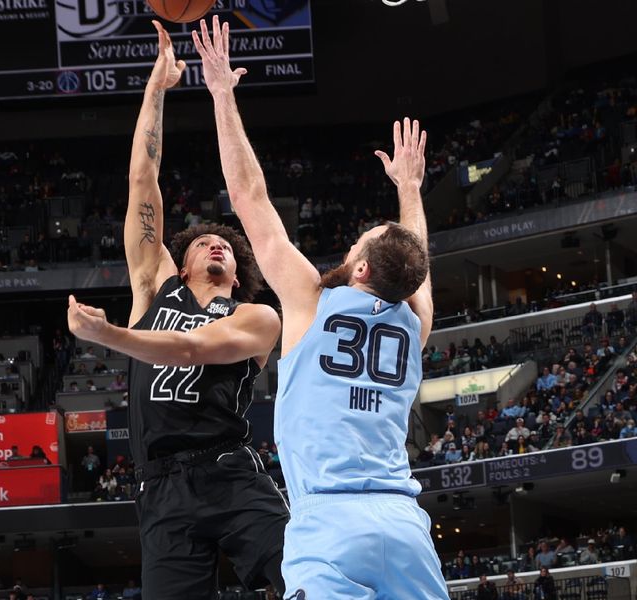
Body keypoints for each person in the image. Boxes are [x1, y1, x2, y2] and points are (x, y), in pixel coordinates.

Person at [192, 16, 445, 598]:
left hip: (328, 523)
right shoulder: (415, 323)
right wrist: (409, 190)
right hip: (405, 528)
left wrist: (222, 95)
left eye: (358, 243)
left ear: (359, 268)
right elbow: (419, 262)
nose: (351, 245)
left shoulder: (310, 298)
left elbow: (248, 197)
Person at [66, 22, 287, 600]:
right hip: (158, 488)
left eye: (229, 249)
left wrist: (109, 334)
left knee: (306, 576)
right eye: (203, 243)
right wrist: (156, 89)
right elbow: (144, 179)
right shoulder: (154, 289)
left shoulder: (256, 319)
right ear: (180, 264)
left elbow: (192, 349)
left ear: (237, 272)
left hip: (231, 473)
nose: (218, 246)